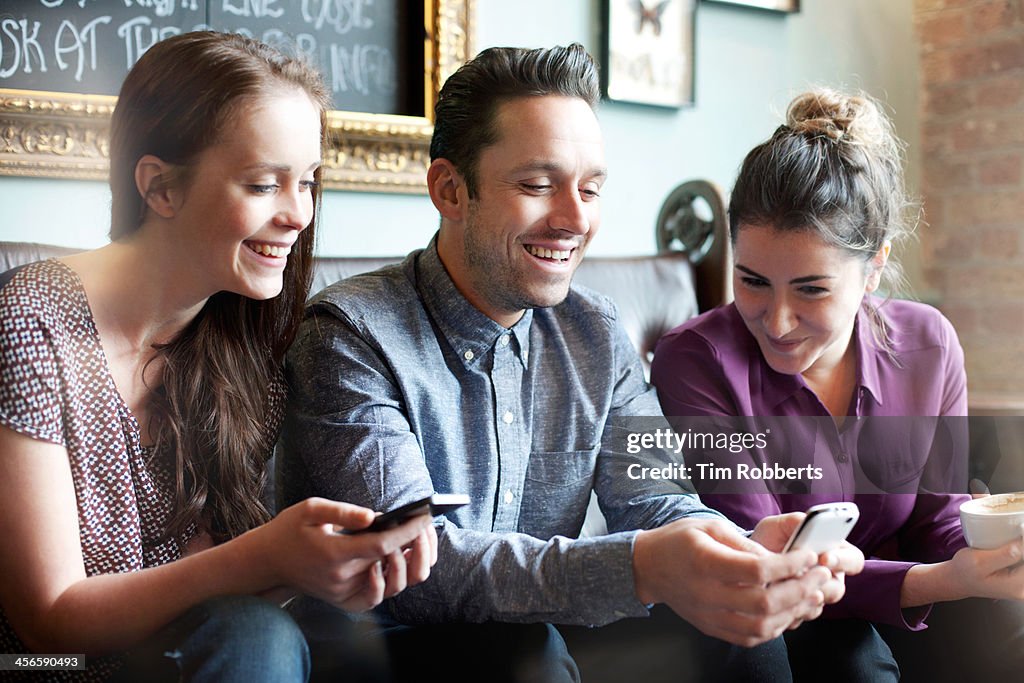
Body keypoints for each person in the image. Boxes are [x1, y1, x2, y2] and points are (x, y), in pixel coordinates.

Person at [280, 44, 863, 683]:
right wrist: (643, 566)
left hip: (543, 632)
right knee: (523, 654)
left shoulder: (595, 332)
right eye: (537, 185)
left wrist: (732, 551)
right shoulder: (349, 335)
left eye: (590, 189)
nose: (575, 218)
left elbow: (658, 502)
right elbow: (411, 566)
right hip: (383, 647)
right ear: (450, 189)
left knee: (731, 630)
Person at [0, 31, 436, 683]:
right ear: (159, 187)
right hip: (39, 663)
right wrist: (266, 555)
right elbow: (49, 618)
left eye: (309, 182)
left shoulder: (242, 351)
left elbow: (196, 595)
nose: (298, 214)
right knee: (254, 634)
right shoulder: (32, 319)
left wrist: (316, 572)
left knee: (322, 633)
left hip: (177, 653)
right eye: (264, 184)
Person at [651, 88, 1024, 681]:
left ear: (874, 264)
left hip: (904, 587)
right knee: (853, 661)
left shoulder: (927, 344)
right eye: (751, 281)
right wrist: (945, 580)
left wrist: (1001, 550)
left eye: (811, 289)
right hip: (776, 608)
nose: (776, 321)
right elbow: (768, 558)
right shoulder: (696, 361)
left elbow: (937, 519)